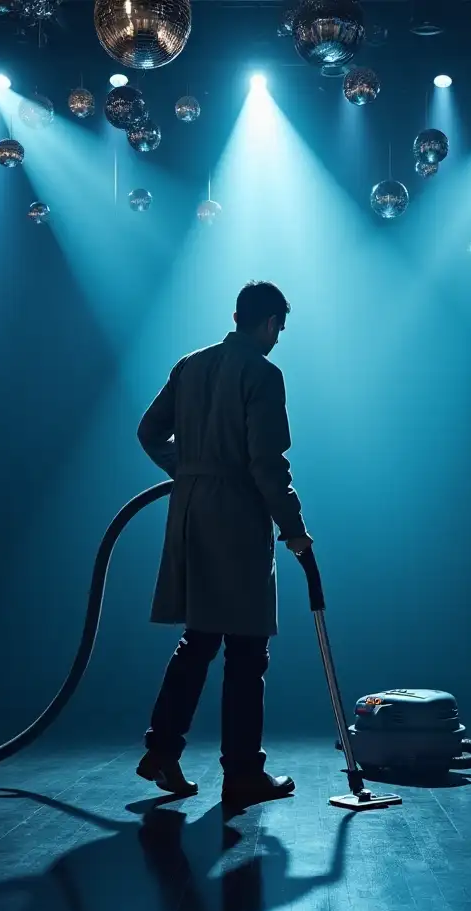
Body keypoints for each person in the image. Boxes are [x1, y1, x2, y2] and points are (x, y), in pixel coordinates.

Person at [134, 281, 312, 806]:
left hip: (190, 513)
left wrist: (188, 471)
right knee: (246, 648)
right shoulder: (262, 373)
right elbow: (266, 463)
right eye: (278, 326)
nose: (278, 338)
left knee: (200, 640)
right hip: (235, 518)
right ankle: (242, 773)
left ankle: (161, 750)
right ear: (266, 322)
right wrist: (295, 527)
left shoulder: (190, 365)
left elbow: (149, 431)